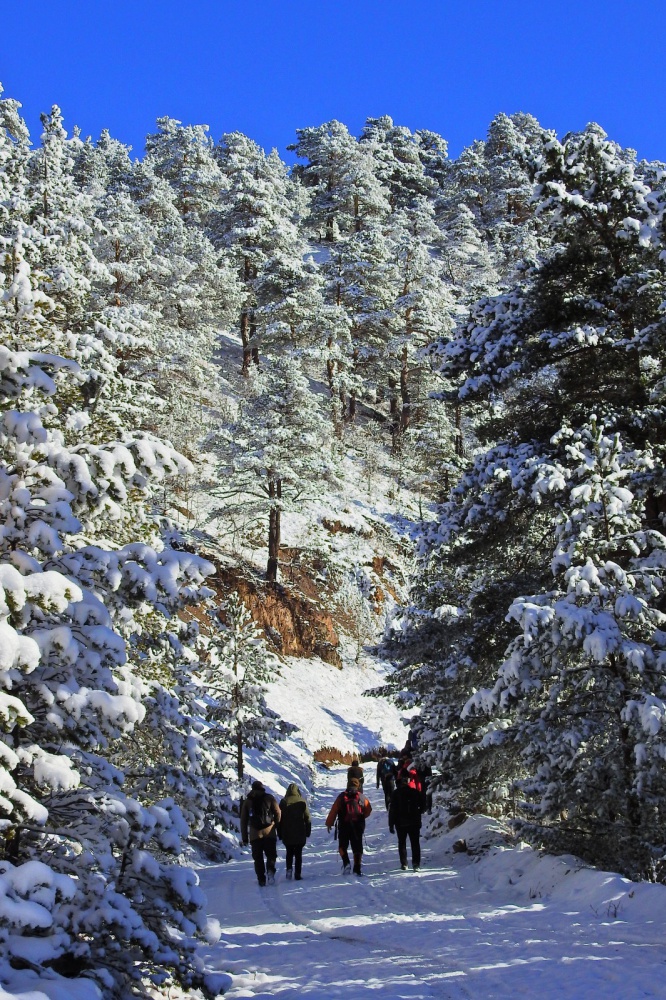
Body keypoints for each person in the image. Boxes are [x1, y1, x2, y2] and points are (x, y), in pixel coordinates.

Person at [325, 777, 372, 875]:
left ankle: (346, 863)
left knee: (342, 846)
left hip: (344, 825)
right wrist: (362, 816)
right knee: (357, 847)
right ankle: (357, 868)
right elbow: (368, 810)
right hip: (357, 825)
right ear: (358, 785)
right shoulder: (361, 797)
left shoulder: (342, 796)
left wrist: (329, 823)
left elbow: (334, 810)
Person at [240, 780, 281, 887]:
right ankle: (270, 870)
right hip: (269, 832)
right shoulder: (270, 798)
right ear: (262, 788)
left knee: (258, 858)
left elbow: (243, 820)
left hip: (255, 834)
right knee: (271, 855)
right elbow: (278, 813)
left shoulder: (248, 801)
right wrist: (275, 826)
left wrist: (245, 837)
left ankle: (261, 879)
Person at [389, 776, 424, 871]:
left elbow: (392, 810)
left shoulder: (396, 794)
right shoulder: (415, 792)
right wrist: (418, 813)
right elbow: (423, 805)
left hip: (400, 823)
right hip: (414, 822)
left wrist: (391, 824)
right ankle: (416, 864)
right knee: (415, 843)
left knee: (402, 843)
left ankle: (404, 863)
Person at [278, 782, 311, 881]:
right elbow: (307, 818)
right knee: (298, 854)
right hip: (300, 831)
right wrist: (308, 831)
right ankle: (297, 873)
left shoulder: (283, 802)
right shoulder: (302, 801)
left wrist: (279, 833)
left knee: (289, 852)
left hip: (287, 831)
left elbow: (279, 818)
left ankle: (289, 869)